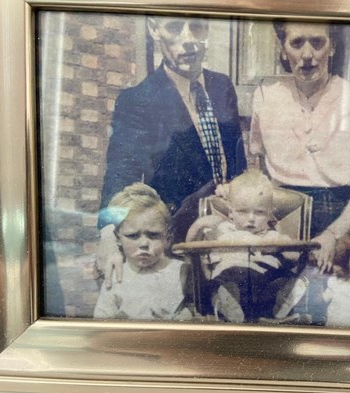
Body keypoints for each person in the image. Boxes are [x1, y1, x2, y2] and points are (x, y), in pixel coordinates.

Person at [249, 21, 350, 324]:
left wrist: (334, 235)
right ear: (284, 49)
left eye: (318, 43)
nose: (308, 54)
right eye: (297, 43)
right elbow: (259, 170)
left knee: (324, 308)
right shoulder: (266, 97)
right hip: (282, 217)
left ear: (332, 47)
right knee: (263, 301)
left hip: (338, 219)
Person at [97, 16, 246, 288]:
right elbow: (120, 172)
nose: (188, 39)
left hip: (232, 227)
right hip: (178, 235)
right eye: (175, 27)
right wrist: (108, 233)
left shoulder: (222, 86)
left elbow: (237, 161)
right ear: (154, 29)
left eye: (197, 26)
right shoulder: (139, 99)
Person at [186, 170, 305, 323]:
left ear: (269, 215)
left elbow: (295, 256)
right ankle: (228, 306)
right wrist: (198, 225)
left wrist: (284, 246)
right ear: (231, 212)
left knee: (283, 280)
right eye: (242, 211)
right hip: (231, 276)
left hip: (264, 277)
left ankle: (278, 307)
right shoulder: (222, 229)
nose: (251, 219)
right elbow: (191, 248)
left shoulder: (271, 236)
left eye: (259, 212)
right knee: (222, 285)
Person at [94, 183, 193, 320]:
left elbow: (194, 310)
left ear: (167, 236)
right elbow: (101, 320)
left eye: (153, 235)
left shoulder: (181, 271)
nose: (144, 244)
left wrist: (183, 317)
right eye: (133, 235)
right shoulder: (117, 276)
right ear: (118, 238)